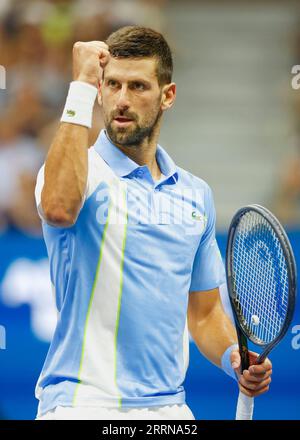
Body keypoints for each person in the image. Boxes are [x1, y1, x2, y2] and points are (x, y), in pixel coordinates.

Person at [34, 26, 272, 420]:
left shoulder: (196, 194)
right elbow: (59, 208)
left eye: (138, 87)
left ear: (168, 95)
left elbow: (205, 313)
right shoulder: (77, 169)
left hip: (169, 410)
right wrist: (80, 86)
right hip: (81, 405)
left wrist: (234, 355)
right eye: (112, 85)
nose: (122, 100)